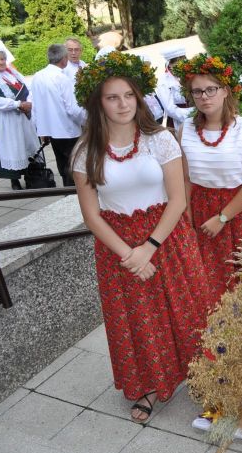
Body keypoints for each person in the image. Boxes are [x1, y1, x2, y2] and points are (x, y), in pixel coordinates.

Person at [71, 51, 213, 424]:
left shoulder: (160, 140)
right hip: (117, 246)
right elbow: (91, 214)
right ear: (98, 103)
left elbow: (179, 198)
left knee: (188, 309)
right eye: (112, 97)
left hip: (167, 237)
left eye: (129, 96)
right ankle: (149, 384)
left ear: (140, 98)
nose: (123, 104)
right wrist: (128, 255)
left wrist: (149, 247)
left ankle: (205, 378)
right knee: (138, 319)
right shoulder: (85, 153)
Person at [173, 54, 242, 299]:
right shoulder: (186, 131)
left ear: (225, 91)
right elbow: (185, 181)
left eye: (211, 89)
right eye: (197, 92)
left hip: (241, 215)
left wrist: (223, 217)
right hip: (203, 216)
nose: (204, 97)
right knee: (211, 290)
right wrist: (190, 225)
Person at [30, 43, 87, 187]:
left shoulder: (37, 76)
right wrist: (86, 120)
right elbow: (72, 109)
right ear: (64, 59)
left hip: (52, 130)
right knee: (74, 164)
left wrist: (41, 129)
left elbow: (35, 106)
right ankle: (74, 191)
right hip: (67, 129)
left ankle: (68, 190)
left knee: (62, 163)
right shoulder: (62, 78)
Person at [0, 45, 40, 189]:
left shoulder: (12, 73)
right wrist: (18, 104)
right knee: (12, 147)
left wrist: (29, 103)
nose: (1, 62)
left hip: (23, 118)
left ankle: (31, 175)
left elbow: (29, 88)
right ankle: (14, 179)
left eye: (3, 59)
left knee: (26, 145)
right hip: (6, 119)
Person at [156, 45, 194, 130]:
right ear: (169, 65)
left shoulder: (191, 75)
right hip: (178, 123)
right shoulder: (164, 82)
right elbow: (169, 109)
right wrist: (193, 113)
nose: (182, 65)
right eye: (177, 62)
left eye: (183, 60)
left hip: (199, 117)